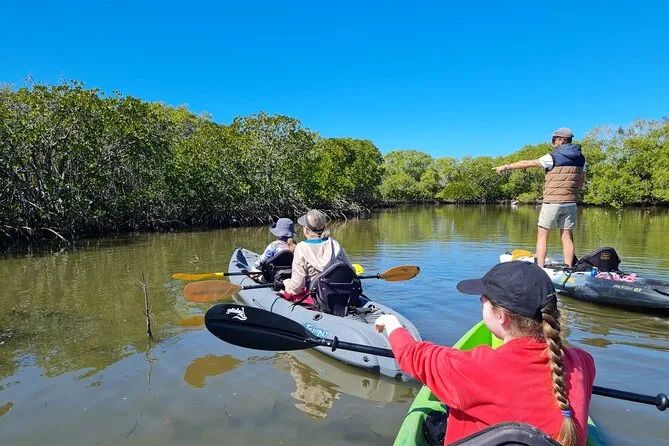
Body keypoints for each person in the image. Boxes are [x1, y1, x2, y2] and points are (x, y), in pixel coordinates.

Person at [375, 261, 595, 446]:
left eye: (483, 301)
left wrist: (391, 323)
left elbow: (411, 354)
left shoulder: (475, 368)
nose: (481, 303)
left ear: (501, 316)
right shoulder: (583, 363)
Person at [493, 128, 586, 267]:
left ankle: (540, 268)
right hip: (571, 203)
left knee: (542, 235)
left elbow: (526, 164)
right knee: (567, 236)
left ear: (561, 140)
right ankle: (569, 268)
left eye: (554, 140)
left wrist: (506, 167)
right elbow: (581, 180)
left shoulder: (553, 157)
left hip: (552, 202)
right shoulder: (581, 158)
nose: (553, 143)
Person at [280, 209, 354, 303]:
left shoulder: (301, 248)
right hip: (338, 295)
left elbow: (297, 287)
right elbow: (351, 271)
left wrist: (287, 283)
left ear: (306, 230)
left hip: (315, 298)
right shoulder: (334, 244)